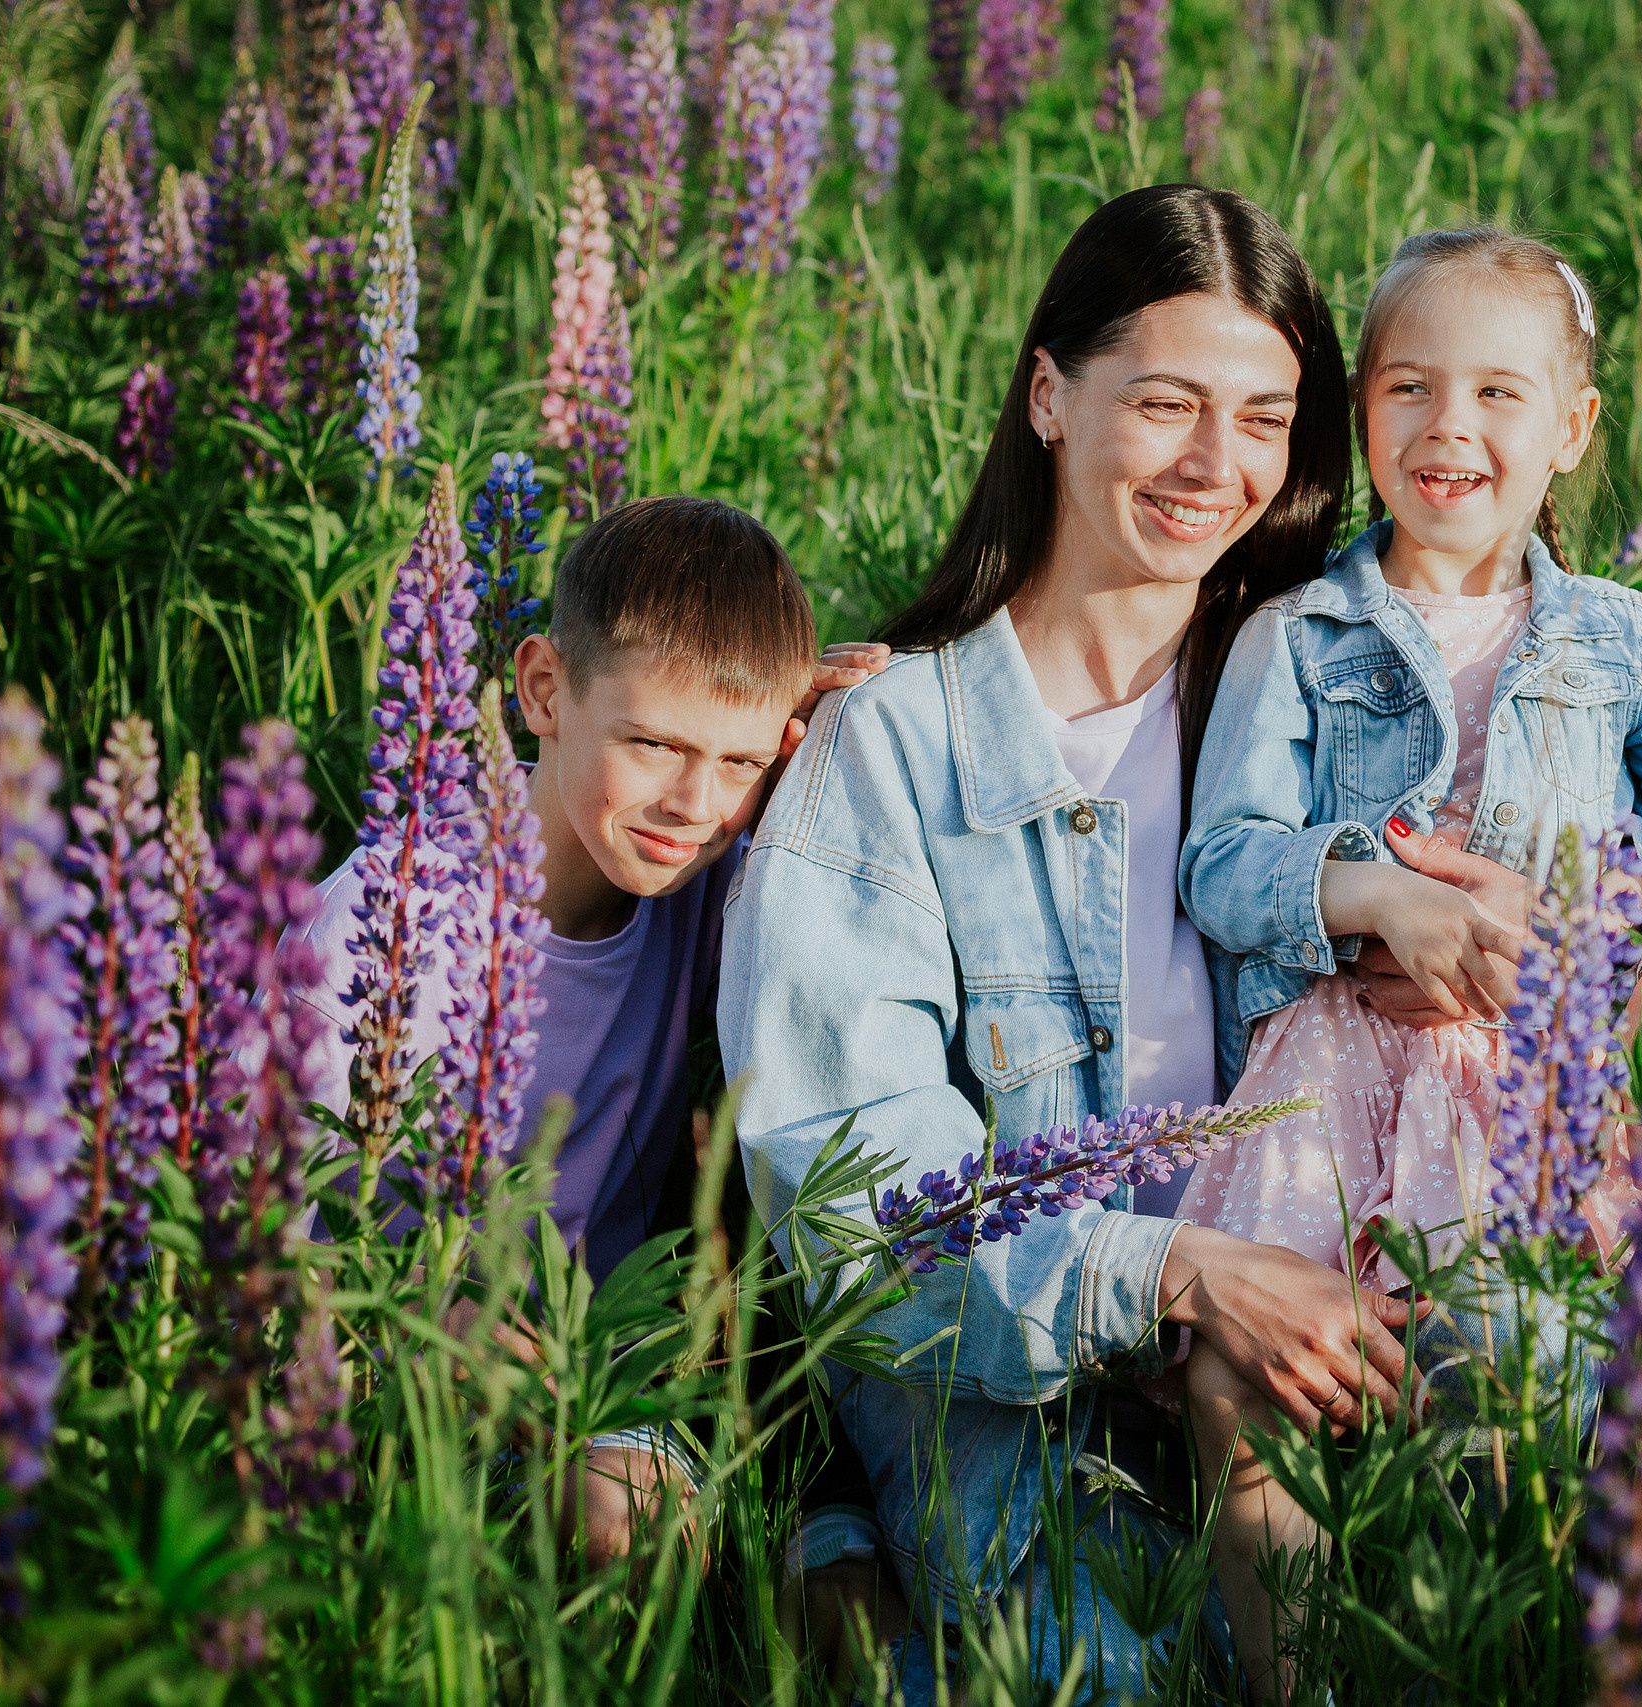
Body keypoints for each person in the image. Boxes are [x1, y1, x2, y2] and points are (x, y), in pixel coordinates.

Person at [719, 184, 1445, 1697]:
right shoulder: (892, 754)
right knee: (1109, 1677)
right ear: (1050, 393)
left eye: (1264, 416)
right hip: (1003, 1396)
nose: (1220, 464)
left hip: (1305, 1355)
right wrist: (1177, 1266)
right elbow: (863, 1221)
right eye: (1168, 403)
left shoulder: (1335, 720)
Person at [1174, 225, 1642, 1696]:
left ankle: (1478, 1651)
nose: (1452, 427)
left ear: (1573, 426)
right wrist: (1370, 896)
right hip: (1333, 1074)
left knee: (1512, 1373)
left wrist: (1640, 973)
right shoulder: (1296, 632)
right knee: (1254, 1384)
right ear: (1360, 410)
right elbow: (1223, 856)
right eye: (1410, 388)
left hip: (1545, 1076)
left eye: (1499, 393)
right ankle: (1284, 1673)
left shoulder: (1622, 640)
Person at [293, 494, 878, 1563]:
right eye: (652, 743)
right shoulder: (387, 925)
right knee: (619, 1513)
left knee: (641, 1519)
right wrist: (411, 1319)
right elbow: (229, 1210)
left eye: (740, 764)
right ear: (544, 690)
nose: (692, 803)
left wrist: (853, 724)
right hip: (364, 1369)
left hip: (591, 1366)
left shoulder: (704, 877)